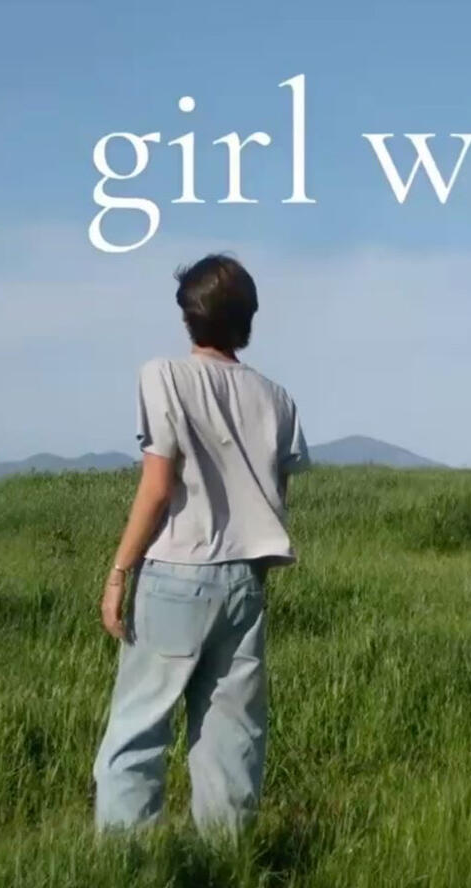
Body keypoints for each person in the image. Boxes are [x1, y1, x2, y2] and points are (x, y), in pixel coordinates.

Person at [92, 254, 310, 835]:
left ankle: (127, 866)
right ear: (248, 318)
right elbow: (277, 495)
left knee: (137, 734)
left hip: (175, 575)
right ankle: (227, 865)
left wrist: (118, 573)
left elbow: (158, 486)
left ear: (188, 315)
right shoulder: (278, 398)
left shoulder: (163, 374)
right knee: (231, 743)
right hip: (246, 583)